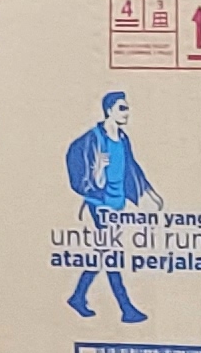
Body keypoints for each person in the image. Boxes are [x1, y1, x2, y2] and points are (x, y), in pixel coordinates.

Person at [63, 89, 156, 324]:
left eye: (127, 108)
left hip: (118, 203)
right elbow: (88, 177)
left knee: (103, 253)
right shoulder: (95, 139)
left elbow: (132, 167)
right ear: (109, 110)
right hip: (100, 204)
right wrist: (98, 171)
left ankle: (78, 295)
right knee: (111, 254)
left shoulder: (122, 138)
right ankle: (126, 308)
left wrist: (149, 192)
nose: (127, 112)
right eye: (122, 108)